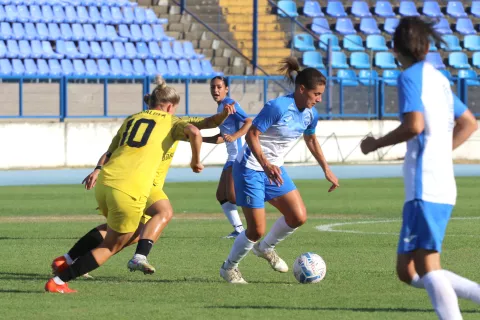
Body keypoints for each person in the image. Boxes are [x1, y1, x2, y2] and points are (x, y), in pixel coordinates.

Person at [50, 81, 237, 278]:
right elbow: (203, 126)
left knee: (131, 231)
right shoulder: (171, 121)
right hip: (139, 184)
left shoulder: (132, 119)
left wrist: (97, 169)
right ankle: (134, 258)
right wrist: (197, 159)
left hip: (112, 179)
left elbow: (110, 151)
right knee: (144, 224)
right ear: (170, 106)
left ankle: (69, 259)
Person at [360, 16, 479, 320]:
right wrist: (442, 150)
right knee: (407, 270)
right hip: (438, 183)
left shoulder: (410, 77)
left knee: (428, 265)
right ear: (427, 47)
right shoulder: (438, 79)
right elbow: (468, 122)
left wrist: (376, 144)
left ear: (394, 48)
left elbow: (414, 125)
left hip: (426, 185)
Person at [219, 57, 339, 284]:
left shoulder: (311, 114)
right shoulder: (277, 107)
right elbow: (251, 134)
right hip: (251, 168)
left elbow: (311, 139)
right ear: (302, 89)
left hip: (274, 169)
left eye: (321, 95)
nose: (319, 99)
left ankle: (265, 249)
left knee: (298, 216)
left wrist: (326, 169)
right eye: (316, 94)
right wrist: (265, 164)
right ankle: (229, 268)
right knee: (255, 231)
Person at [205, 76, 252, 238]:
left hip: (238, 156)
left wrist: (235, 136)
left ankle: (253, 224)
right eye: (213, 87)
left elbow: (249, 121)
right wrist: (199, 138)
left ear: (226, 89)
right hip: (231, 156)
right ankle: (239, 229)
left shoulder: (230, 104)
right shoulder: (221, 108)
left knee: (232, 195)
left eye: (219, 87)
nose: (215, 90)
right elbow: (222, 136)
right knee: (221, 195)